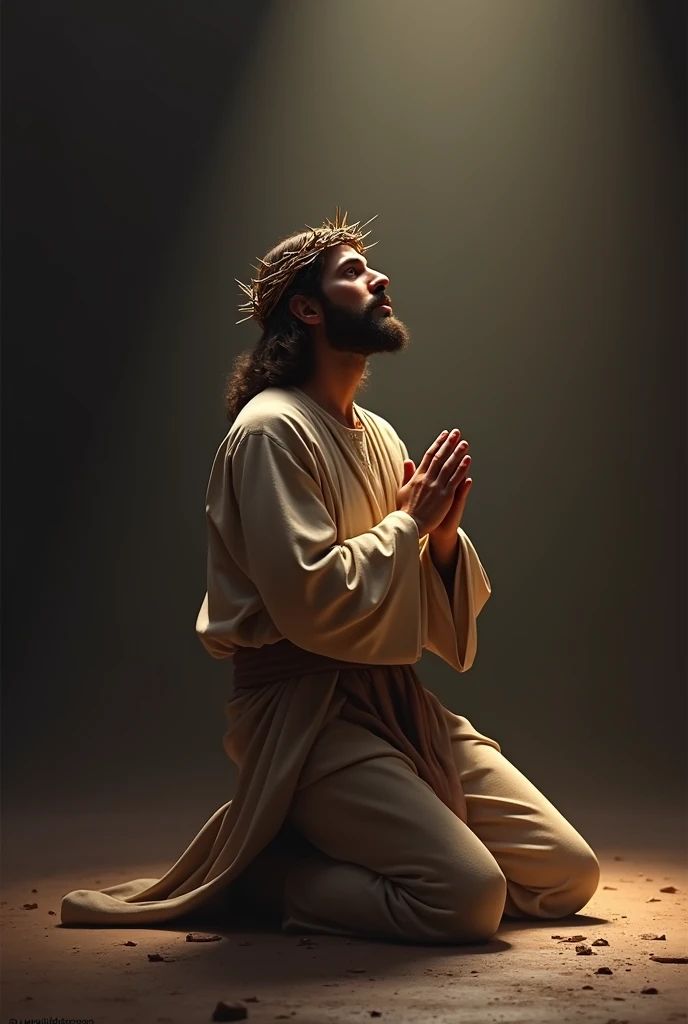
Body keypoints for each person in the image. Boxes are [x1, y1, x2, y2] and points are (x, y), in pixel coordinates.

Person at [61, 209, 599, 940]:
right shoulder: (268, 430)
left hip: (394, 701)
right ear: (306, 309)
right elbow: (308, 600)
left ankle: (344, 847)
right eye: (353, 272)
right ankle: (266, 877)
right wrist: (409, 523)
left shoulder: (376, 435)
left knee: (570, 873)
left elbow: (417, 599)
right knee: (468, 899)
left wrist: (440, 537)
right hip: (306, 720)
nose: (379, 279)